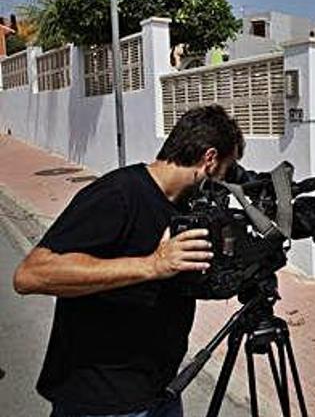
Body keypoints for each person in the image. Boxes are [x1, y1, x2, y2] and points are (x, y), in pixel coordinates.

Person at [13, 105, 245, 417]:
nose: (224, 182)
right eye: (225, 171)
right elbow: (32, 274)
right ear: (210, 159)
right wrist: (152, 264)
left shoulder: (186, 209)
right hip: (103, 403)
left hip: (160, 391)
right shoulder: (120, 193)